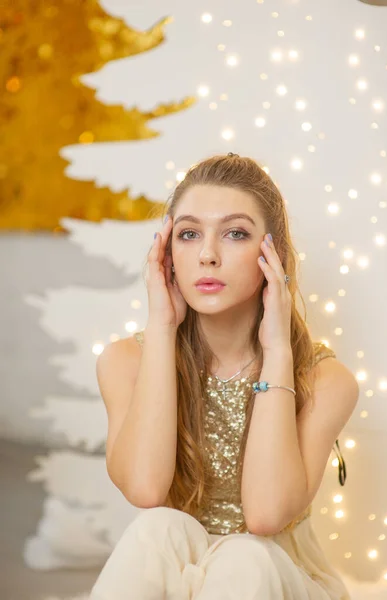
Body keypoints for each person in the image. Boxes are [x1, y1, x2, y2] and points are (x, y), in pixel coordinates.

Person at [90, 153, 359, 599]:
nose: (208, 255)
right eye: (189, 234)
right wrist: (162, 328)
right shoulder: (123, 361)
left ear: (272, 255)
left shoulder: (326, 381)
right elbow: (145, 489)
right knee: (157, 527)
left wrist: (276, 351)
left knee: (245, 554)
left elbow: (265, 518)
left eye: (235, 234)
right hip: (181, 566)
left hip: (278, 575)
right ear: (168, 253)